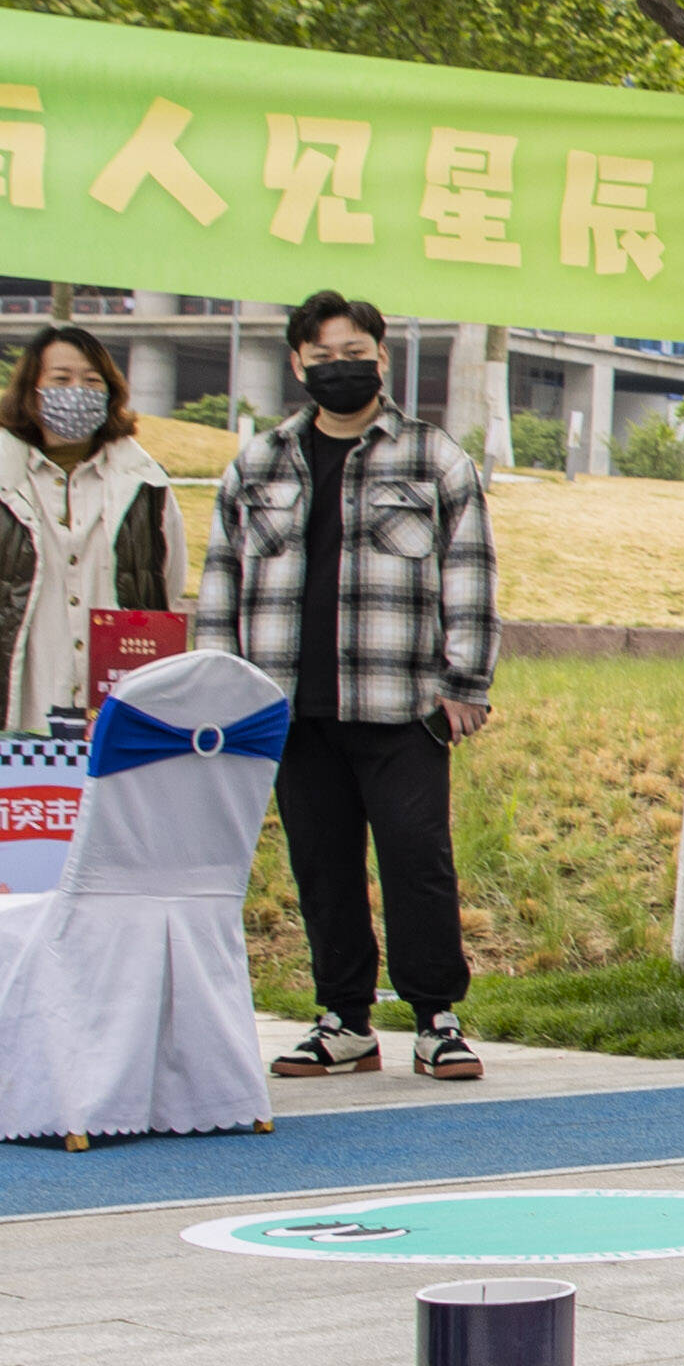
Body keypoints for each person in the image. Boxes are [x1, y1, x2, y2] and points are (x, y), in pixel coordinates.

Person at [194, 291, 498, 1081]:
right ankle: (344, 1021)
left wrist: (465, 681)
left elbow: (470, 572)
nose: (341, 368)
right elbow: (221, 581)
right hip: (290, 709)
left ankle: (436, 1019)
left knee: (416, 861)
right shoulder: (258, 463)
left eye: (355, 354)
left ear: (382, 358)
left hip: (403, 705)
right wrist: (217, 693)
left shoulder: (433, 457)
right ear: (298, 365)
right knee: (322, 867)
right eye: (323, 357)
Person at [0, 323, 180, 735]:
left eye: (92, 381)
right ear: (31, 391)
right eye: (61, 379)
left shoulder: (147, 485)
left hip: (112, 716)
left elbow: (166, 583)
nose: (78, 391)